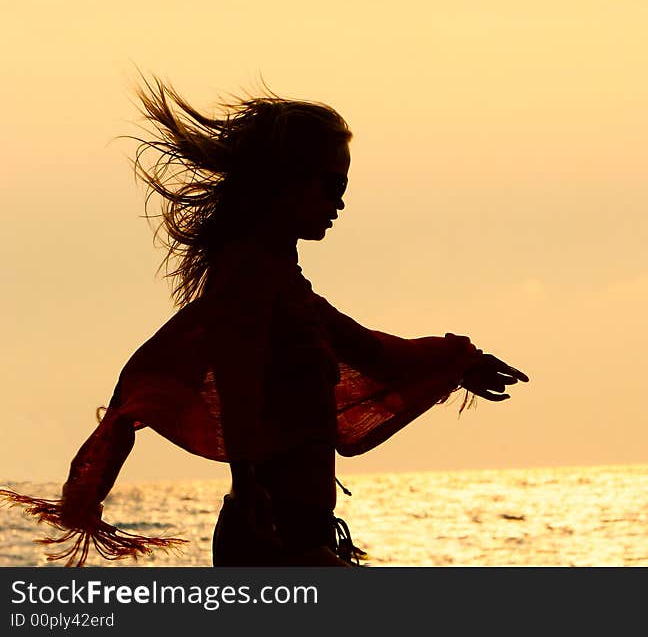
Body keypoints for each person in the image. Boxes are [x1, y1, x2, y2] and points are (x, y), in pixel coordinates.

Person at [0, 76, 529, 567]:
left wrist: (464, 363)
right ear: (285, 182)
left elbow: (371, 352)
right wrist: (249, 485)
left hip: (300, 530)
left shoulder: (284, 284)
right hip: (272, 534)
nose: (340, 201)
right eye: (329, 184)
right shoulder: (249, 273)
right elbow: (238, 376)